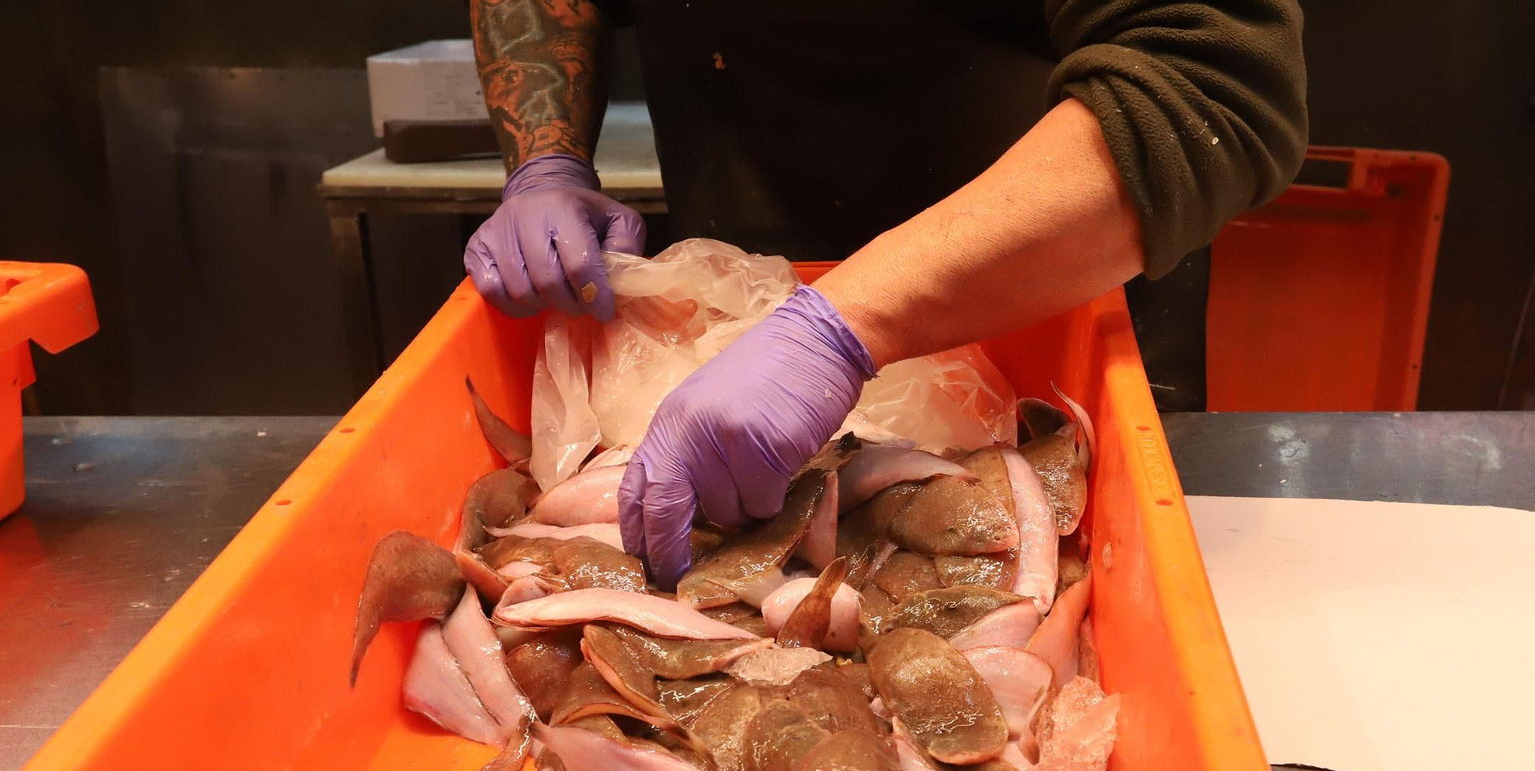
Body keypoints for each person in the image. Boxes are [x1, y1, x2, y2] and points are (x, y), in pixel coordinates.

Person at [462, 0, 1308, 585]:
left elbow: (1207, 79)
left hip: (1049, 326)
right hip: (730, 295)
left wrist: (838, 329)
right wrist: (546, 157)